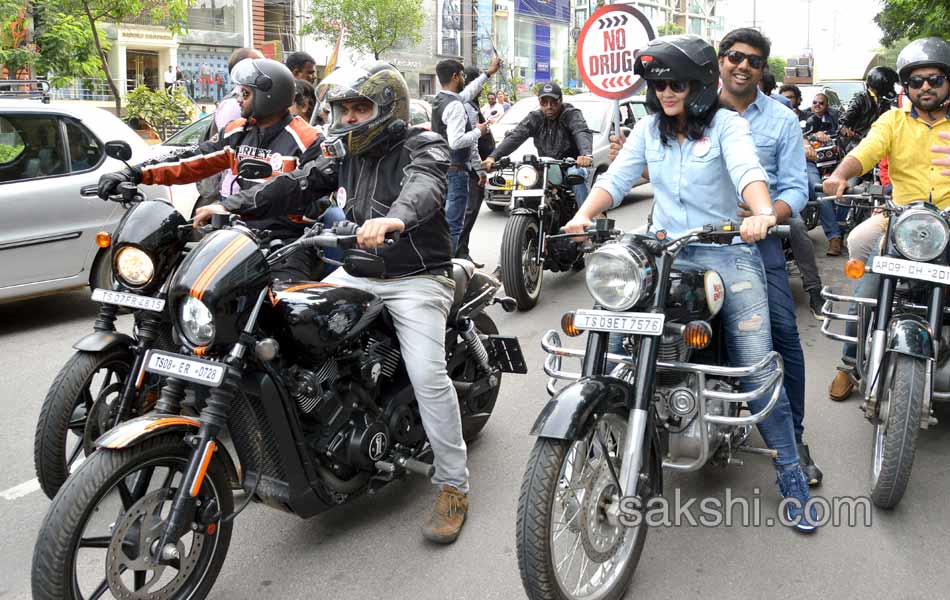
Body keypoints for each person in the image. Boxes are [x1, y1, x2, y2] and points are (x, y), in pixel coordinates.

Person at [196, 62, 474, 544]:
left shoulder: (420, 144)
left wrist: (394, 221)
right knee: (284, 327)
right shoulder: (343, 151)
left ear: (388, 109)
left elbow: (425, 186)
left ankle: (453, 484)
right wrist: (232, 206)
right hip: (358, 269)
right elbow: (298, 184)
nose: (348, 119)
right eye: (343, 109)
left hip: (416, 277)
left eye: (359, 109)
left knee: (429, 377)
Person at [569, 35, 816, 531]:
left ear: (700, 84)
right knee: (619, 345)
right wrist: (581, 215)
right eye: (659, 83)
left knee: (756, 366)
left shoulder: (727, 124)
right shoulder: (647, 129)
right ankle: (601, 445)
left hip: (726, 252)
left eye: (677, 83)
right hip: (661, 251)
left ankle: (791, 471)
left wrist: (763, 213)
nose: (667, 92)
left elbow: (747, 171)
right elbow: (615, 179)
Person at [98, 58, 334, 281]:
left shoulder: (308, 140)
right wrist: (136, 173)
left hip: (291, 242)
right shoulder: (238, 132)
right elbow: (192, 159)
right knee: (184, 285)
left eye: (245, 93)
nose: (238, 99)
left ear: (268, 96)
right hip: (241, 235)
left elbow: (312, 199)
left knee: (286, 305)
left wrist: (244, 206)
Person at [825, 37, 950, 401]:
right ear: (906, 87)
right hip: (901, 219)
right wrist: (840, 175)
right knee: (866, 268)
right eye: (916, 81)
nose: (925, 87)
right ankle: (848, 362)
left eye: (935, 79)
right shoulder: (892, 120)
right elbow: (865, 151)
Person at [481, 81, 593, 211]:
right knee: (528, 178)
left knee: (576, 175)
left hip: (570, 164)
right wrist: (493, 157)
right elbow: (516, 136)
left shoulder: (571, 114)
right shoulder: (536, 117)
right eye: (544, 102)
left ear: (561, 101)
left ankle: (586, 218)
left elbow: (581, 131)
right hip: (547, 167)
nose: (549, 106)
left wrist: (585, 154)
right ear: (540, 102)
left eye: (553, 102)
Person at [432, 56, 502, 252]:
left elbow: (468, 92)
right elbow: (456, 142)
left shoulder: (442, 99)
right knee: (454, 226)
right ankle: (449, 269)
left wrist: (489, 73)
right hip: (456, 172)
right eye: (462, 75)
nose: (465, 80)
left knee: (446, 225)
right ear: (455, 77)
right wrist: (479, 131)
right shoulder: (455, 106)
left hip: (444, 170)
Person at [455, 66, 497, 266]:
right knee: (468, 213)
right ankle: (460, 255)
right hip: (469, 170)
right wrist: (479, 170)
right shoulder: (467, 107)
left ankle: (462, 252)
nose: (482, 87)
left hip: (469, 169)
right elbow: (471, 143)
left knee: (466, 213)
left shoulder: (469, 104)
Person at [839, 66, 899, 140]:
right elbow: (843, 122)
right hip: (860, 143)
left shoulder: (884, 101)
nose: (892, 87)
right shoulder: (860, 99)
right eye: (890, 84)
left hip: (879, 141)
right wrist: (846, 130)